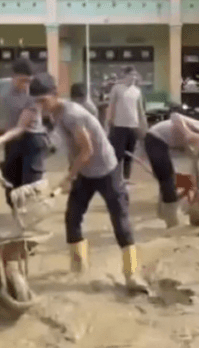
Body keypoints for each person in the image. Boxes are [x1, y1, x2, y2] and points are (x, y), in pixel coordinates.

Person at [28, 72, 149, 295]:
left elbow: (87, 150)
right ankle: (78, 269)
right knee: (72, 218)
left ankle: (132, 275)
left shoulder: (72, 114)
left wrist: (68, 178)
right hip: (85, 172)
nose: (39, 106)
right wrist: (72, 172)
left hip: (106, 170)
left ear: (55, 95)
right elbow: (71, 148)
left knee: (120, 220)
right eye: (36, 102)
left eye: (43, 100)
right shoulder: (55, 114)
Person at [144, 112, 199, 227]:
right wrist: (187, 132)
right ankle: (172, 223)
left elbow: (196, 168)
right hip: (155, 138)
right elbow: (175, 116)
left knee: (169, 180)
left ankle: (163, 214)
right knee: (167, 180)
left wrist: (198, 192)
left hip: (167, 145)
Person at [0, 58, 48, 208]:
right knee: (10, 182)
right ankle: (16, 211)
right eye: (22, 81)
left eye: (28, 81)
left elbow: (21, 127)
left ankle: (31, 213)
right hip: (11, 138)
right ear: (13, 77)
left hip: (32, 138)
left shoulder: (35, 92)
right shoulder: (3, 86)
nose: (26, 85)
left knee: (30, 184)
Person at [105, 66, 148, 183]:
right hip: (119, 126)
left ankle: (126, 178)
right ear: (125, 75)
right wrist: (108, 123)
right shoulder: (117, 88)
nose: (133, 77)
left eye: (135, 75)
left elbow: (140, 110)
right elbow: (111, 106)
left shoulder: (137, 91)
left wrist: (144, 126)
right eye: (131, 75)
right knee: (118, 154)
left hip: (133, 126)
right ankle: (116, 177)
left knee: (130, 154)